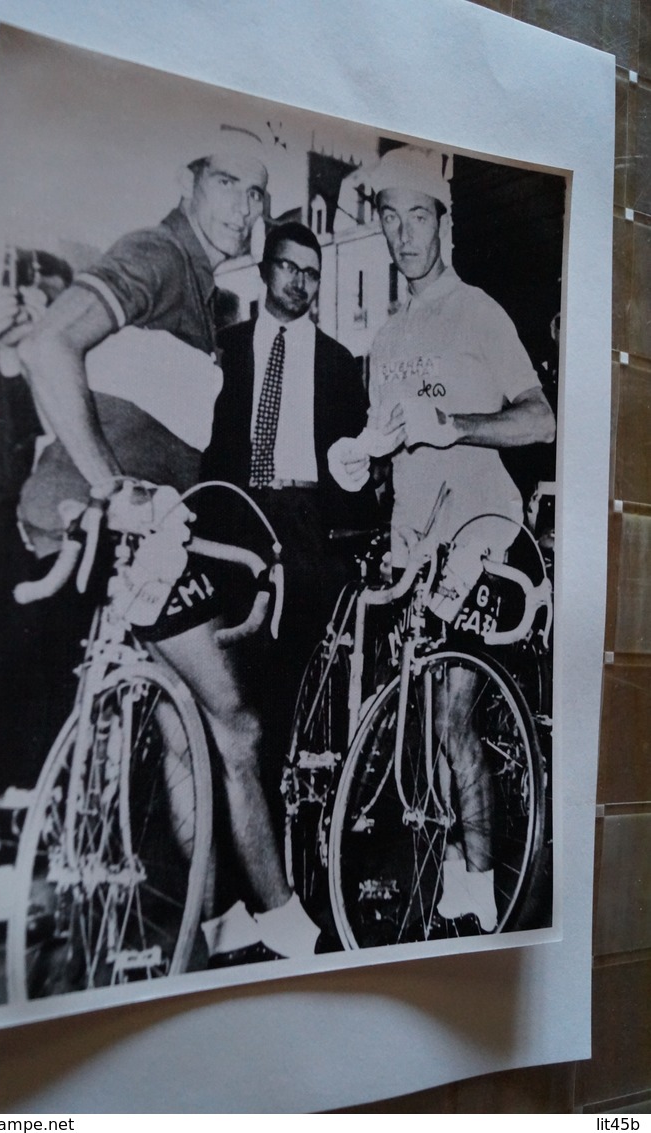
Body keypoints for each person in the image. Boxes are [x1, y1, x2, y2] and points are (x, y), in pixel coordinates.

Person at [15, 127, 320, 966]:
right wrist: (113, 487)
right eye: (228, 183)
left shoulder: (203, 294)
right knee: (235, 721)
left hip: (143, 528)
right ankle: (279, 916)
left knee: (192, 729)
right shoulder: (155, 253)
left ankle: (213, 917)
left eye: (258, 194)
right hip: (111, 520)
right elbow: (46, 347)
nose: (245, 208)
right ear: (189, 182)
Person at [328, 145, 555, 933]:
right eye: (390, 219)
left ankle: (480, 884)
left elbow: (541, 417)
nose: (403, 233)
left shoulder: (479, 312)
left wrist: (455, 424)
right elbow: (385, 442)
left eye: (417, 216)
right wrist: (360, 459)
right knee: (418, 715)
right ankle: (449, 869)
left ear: (441, 224)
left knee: (452, 713)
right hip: (412, 547)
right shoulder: (386, 337)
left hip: (481, 534)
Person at [203, 221, 377, 737]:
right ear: (263, 270)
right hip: (234, 519)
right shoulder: (224, 350)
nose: (300, 282)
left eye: (311, 273)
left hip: (306, 527)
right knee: (232, 682)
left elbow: (356, 466)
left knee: (299, 684)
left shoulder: (339, 363)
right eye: (288, 267)